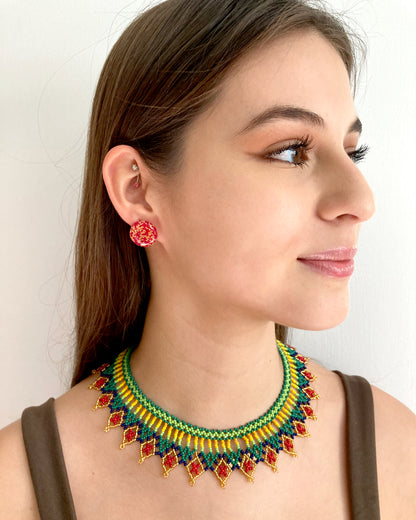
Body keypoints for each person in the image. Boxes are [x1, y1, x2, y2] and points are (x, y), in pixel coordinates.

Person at [1, 0, 415, 518]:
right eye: (290, 151)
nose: (360, 201)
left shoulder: (401, 458)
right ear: (137, 189)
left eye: (353, 153)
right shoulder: (14, 487)